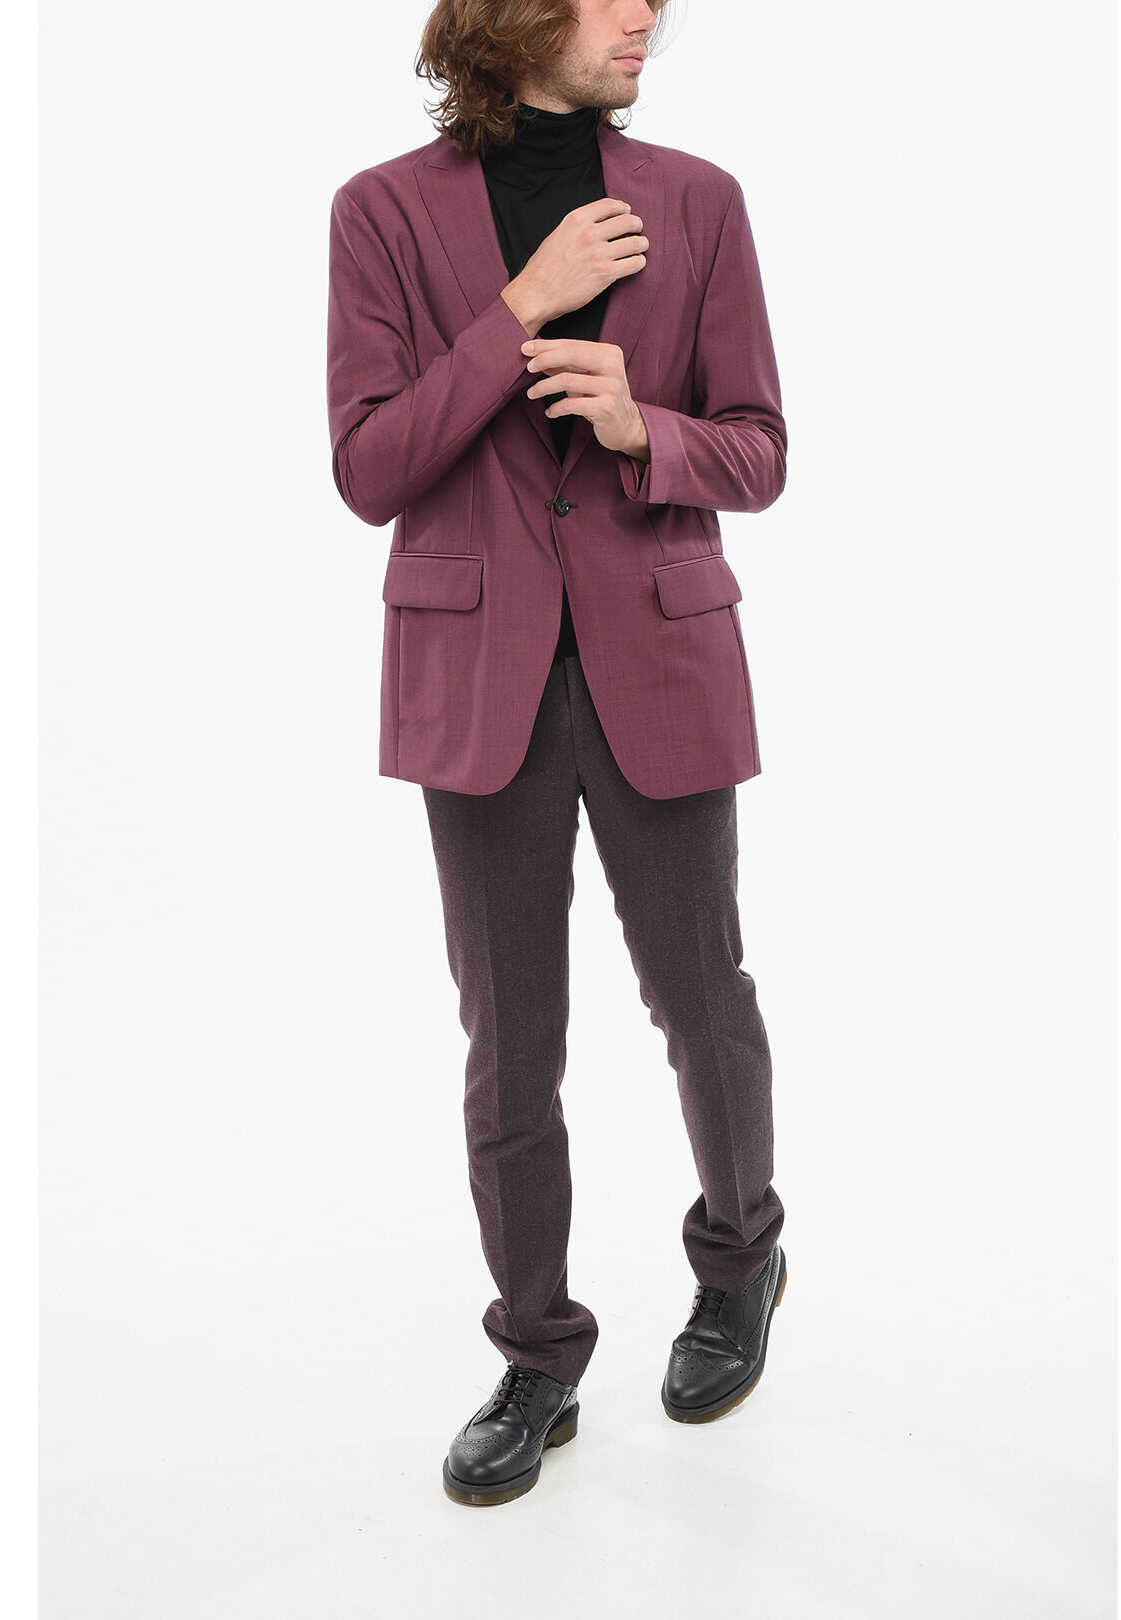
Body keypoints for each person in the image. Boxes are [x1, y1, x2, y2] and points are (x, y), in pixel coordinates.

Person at [326, 0, 789, 1507]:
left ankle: (740, 1260)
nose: (647, 15)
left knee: (698, 995)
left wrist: (647, 427)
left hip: (659, 652)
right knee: (510, 1038)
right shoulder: (382, 213)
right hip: (481, 676)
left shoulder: (698, 201)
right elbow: (370, 467)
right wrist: (520, 306)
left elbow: (761, 448)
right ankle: (537, 1353)